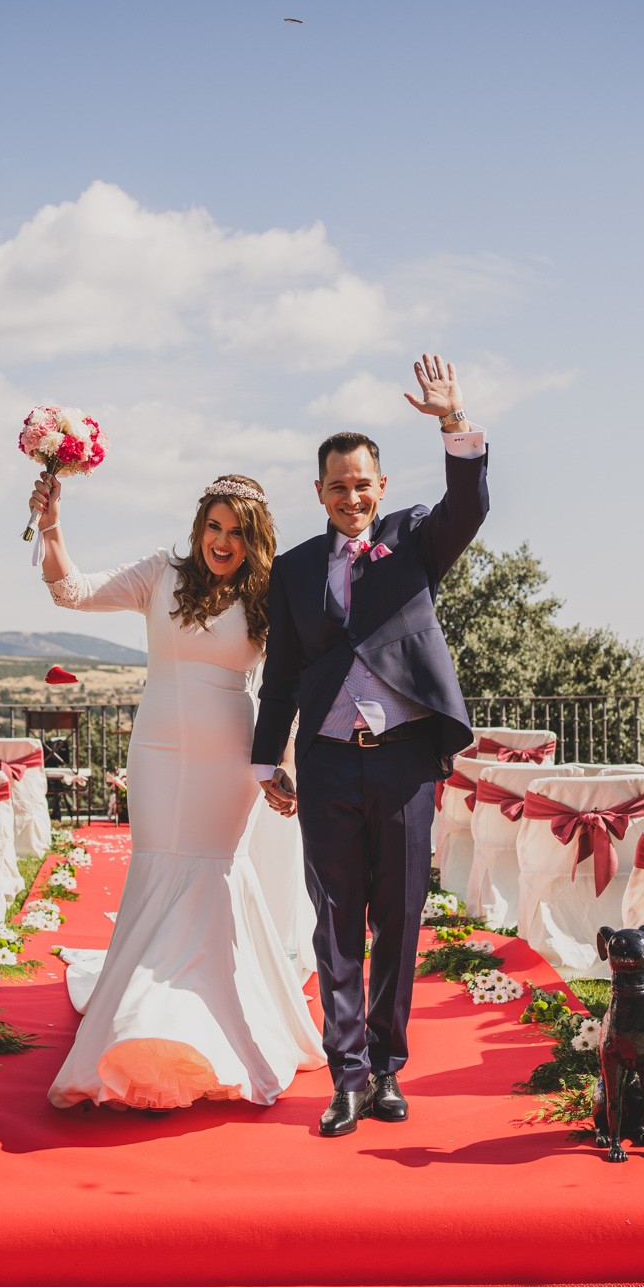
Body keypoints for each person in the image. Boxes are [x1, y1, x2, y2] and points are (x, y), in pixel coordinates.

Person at [28, 470, 324, 1111]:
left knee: (212, 871)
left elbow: (289, 689)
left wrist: (285, 764)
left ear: (255, 540)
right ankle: (141, 1022)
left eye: (238, 533)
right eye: (214, 527)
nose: (223, 541)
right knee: (159, 865)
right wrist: (51, 525)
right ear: (198, 528)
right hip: (157, 752)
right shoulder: (159, 574)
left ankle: (214, 1028)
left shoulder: (271, 597)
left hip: (230, 759)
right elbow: (69, 591)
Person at [251, 353, 488, 1137]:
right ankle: (346, 1074)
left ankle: (387, 1066)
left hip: (404, 761)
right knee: (335, 919)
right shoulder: (292, 570)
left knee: (400, 912)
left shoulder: (417, 540)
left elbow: (469, 505)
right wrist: (268, 759)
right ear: (319, 492)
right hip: (323, 764)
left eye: (363, 484)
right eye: (337, 485)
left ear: (381, 487)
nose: (352, 496)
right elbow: (281, 670)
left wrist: (454, 422)